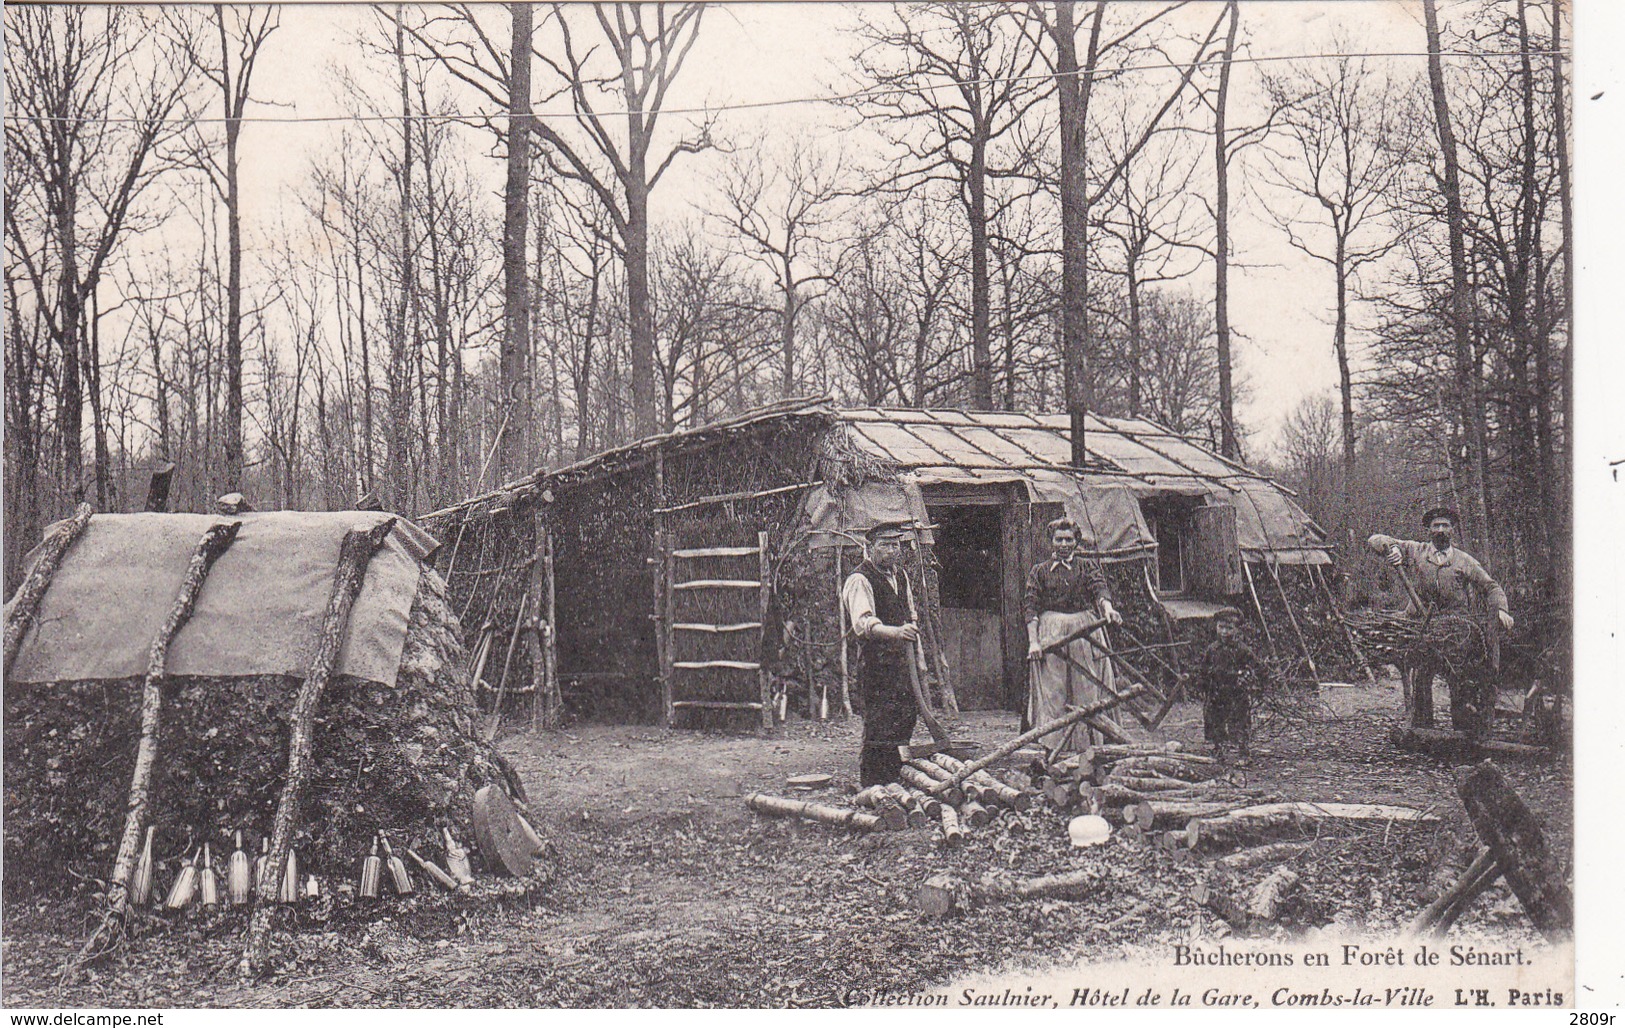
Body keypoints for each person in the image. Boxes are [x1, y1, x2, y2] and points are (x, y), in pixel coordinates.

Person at [1367, 507, 1513, 734]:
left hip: (1455, 628)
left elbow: (1491, 586)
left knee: (1458, 676)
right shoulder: (1416, 551)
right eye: (1436, 526)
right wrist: (1392, 549)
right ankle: (1421, 729)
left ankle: (1461, 730)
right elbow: (1376, 539)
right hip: (1421, 625)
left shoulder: (1465, 561)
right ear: (1429, 530)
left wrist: (1501, 609)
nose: (1441, 530)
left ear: (1452, 530)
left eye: (1445, 525)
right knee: (1423, 673)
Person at [1024, 517, 1122, 751]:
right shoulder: (1039, 572)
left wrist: (1108, 609)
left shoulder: (1087, 567)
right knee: (1053, 690)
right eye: (1059, 539)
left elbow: (1100, 589)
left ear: (1077, 542)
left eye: (1069, 539)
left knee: (1087, 686)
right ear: (1051, 542)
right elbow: (1030, 607)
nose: (1064, 544)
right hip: (1052, 633)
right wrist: (1033, 642)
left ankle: (1087, 745)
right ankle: (1053, 746)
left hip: (1082, 631)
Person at [841, 520, 926, 786]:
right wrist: (896, 633)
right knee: (879, 724)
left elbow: (910, 618)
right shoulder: (859, 579)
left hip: (903, 664)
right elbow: (864, 624)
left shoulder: (900, 576)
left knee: (905, 718)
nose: (892, 550)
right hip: (876, 665)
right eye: (885, 545)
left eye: (895, 545)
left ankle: (896, 780)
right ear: (870, 547)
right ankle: (874, 786)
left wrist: (919, 659)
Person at [1192, 607, 1260, 764]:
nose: (1224, 632)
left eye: (1229, 628)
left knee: (1239, 721)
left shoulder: (1242, 650)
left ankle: (1244, 753)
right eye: (1221, 627)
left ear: (1237, 630)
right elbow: (1204, 668)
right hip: (1216, 691)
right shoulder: (1213, 649)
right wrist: (1202, 684)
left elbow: (1256, 667)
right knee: (1215, 720)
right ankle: (1218, 750)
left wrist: (1248, 678)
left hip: (1236, 693)